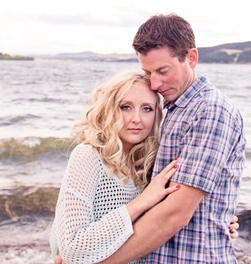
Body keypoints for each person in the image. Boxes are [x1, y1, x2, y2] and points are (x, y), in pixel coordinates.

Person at [98, 13, 247, 263]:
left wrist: (99, 262)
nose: (154, 84)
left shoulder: (210, 110)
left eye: (162, 71)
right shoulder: (173, 109)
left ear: (191, 58)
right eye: (148, 72)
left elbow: (175, 213)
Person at [48, 71, 181, 264]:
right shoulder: (88, 156)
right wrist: (141, 202)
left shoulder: (152, 163)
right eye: (126, 107)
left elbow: (164, 223)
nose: (137, 118)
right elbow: (72, 247)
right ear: (109, 109)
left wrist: (216, 223)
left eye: (147, 109)